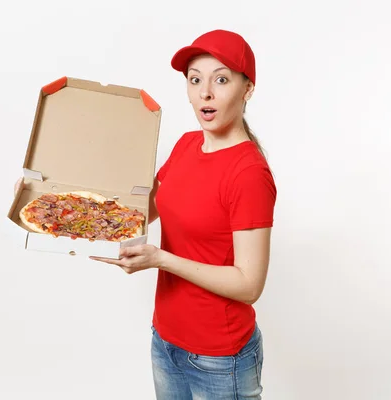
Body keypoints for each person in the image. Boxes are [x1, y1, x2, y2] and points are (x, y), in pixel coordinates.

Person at [90, 29, 277, 399]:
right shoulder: (187, 144)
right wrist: (59, 198)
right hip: (165, 341)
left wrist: (161, 259)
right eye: (195, 80)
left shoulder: (249, 174)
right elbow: (144, 211)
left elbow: (249, 285)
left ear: (247, 89)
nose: (204, 92)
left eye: (220, 79)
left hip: (221, 361)